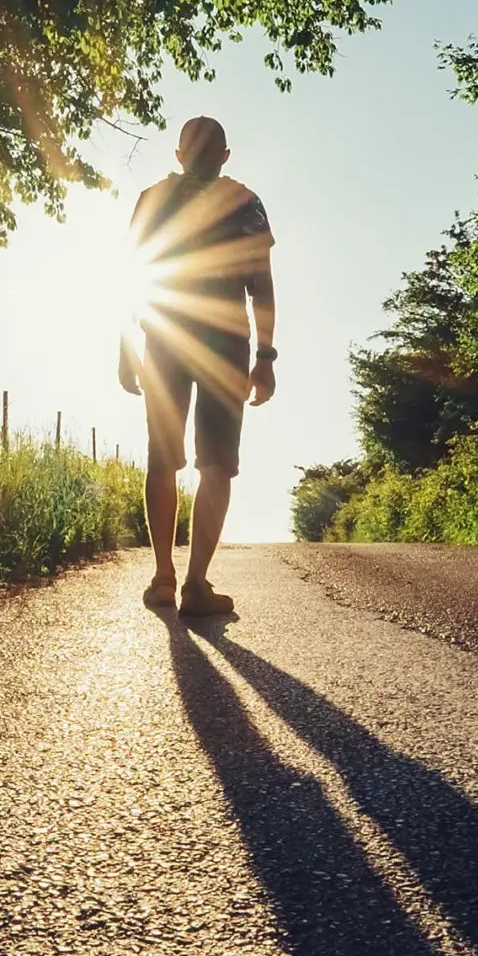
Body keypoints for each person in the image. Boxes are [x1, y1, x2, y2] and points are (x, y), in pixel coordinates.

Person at [119, 116, 277, 616]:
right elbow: (263, 285)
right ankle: (195, 583)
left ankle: (166, 578)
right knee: (216, 465)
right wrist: (266, 356)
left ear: (179, 153)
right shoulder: (244, 203)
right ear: (224, 156)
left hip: (164, 338)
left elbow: (131, 276)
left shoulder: (152, 199)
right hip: (225, 343)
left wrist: (125, 346)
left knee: (163, 459)